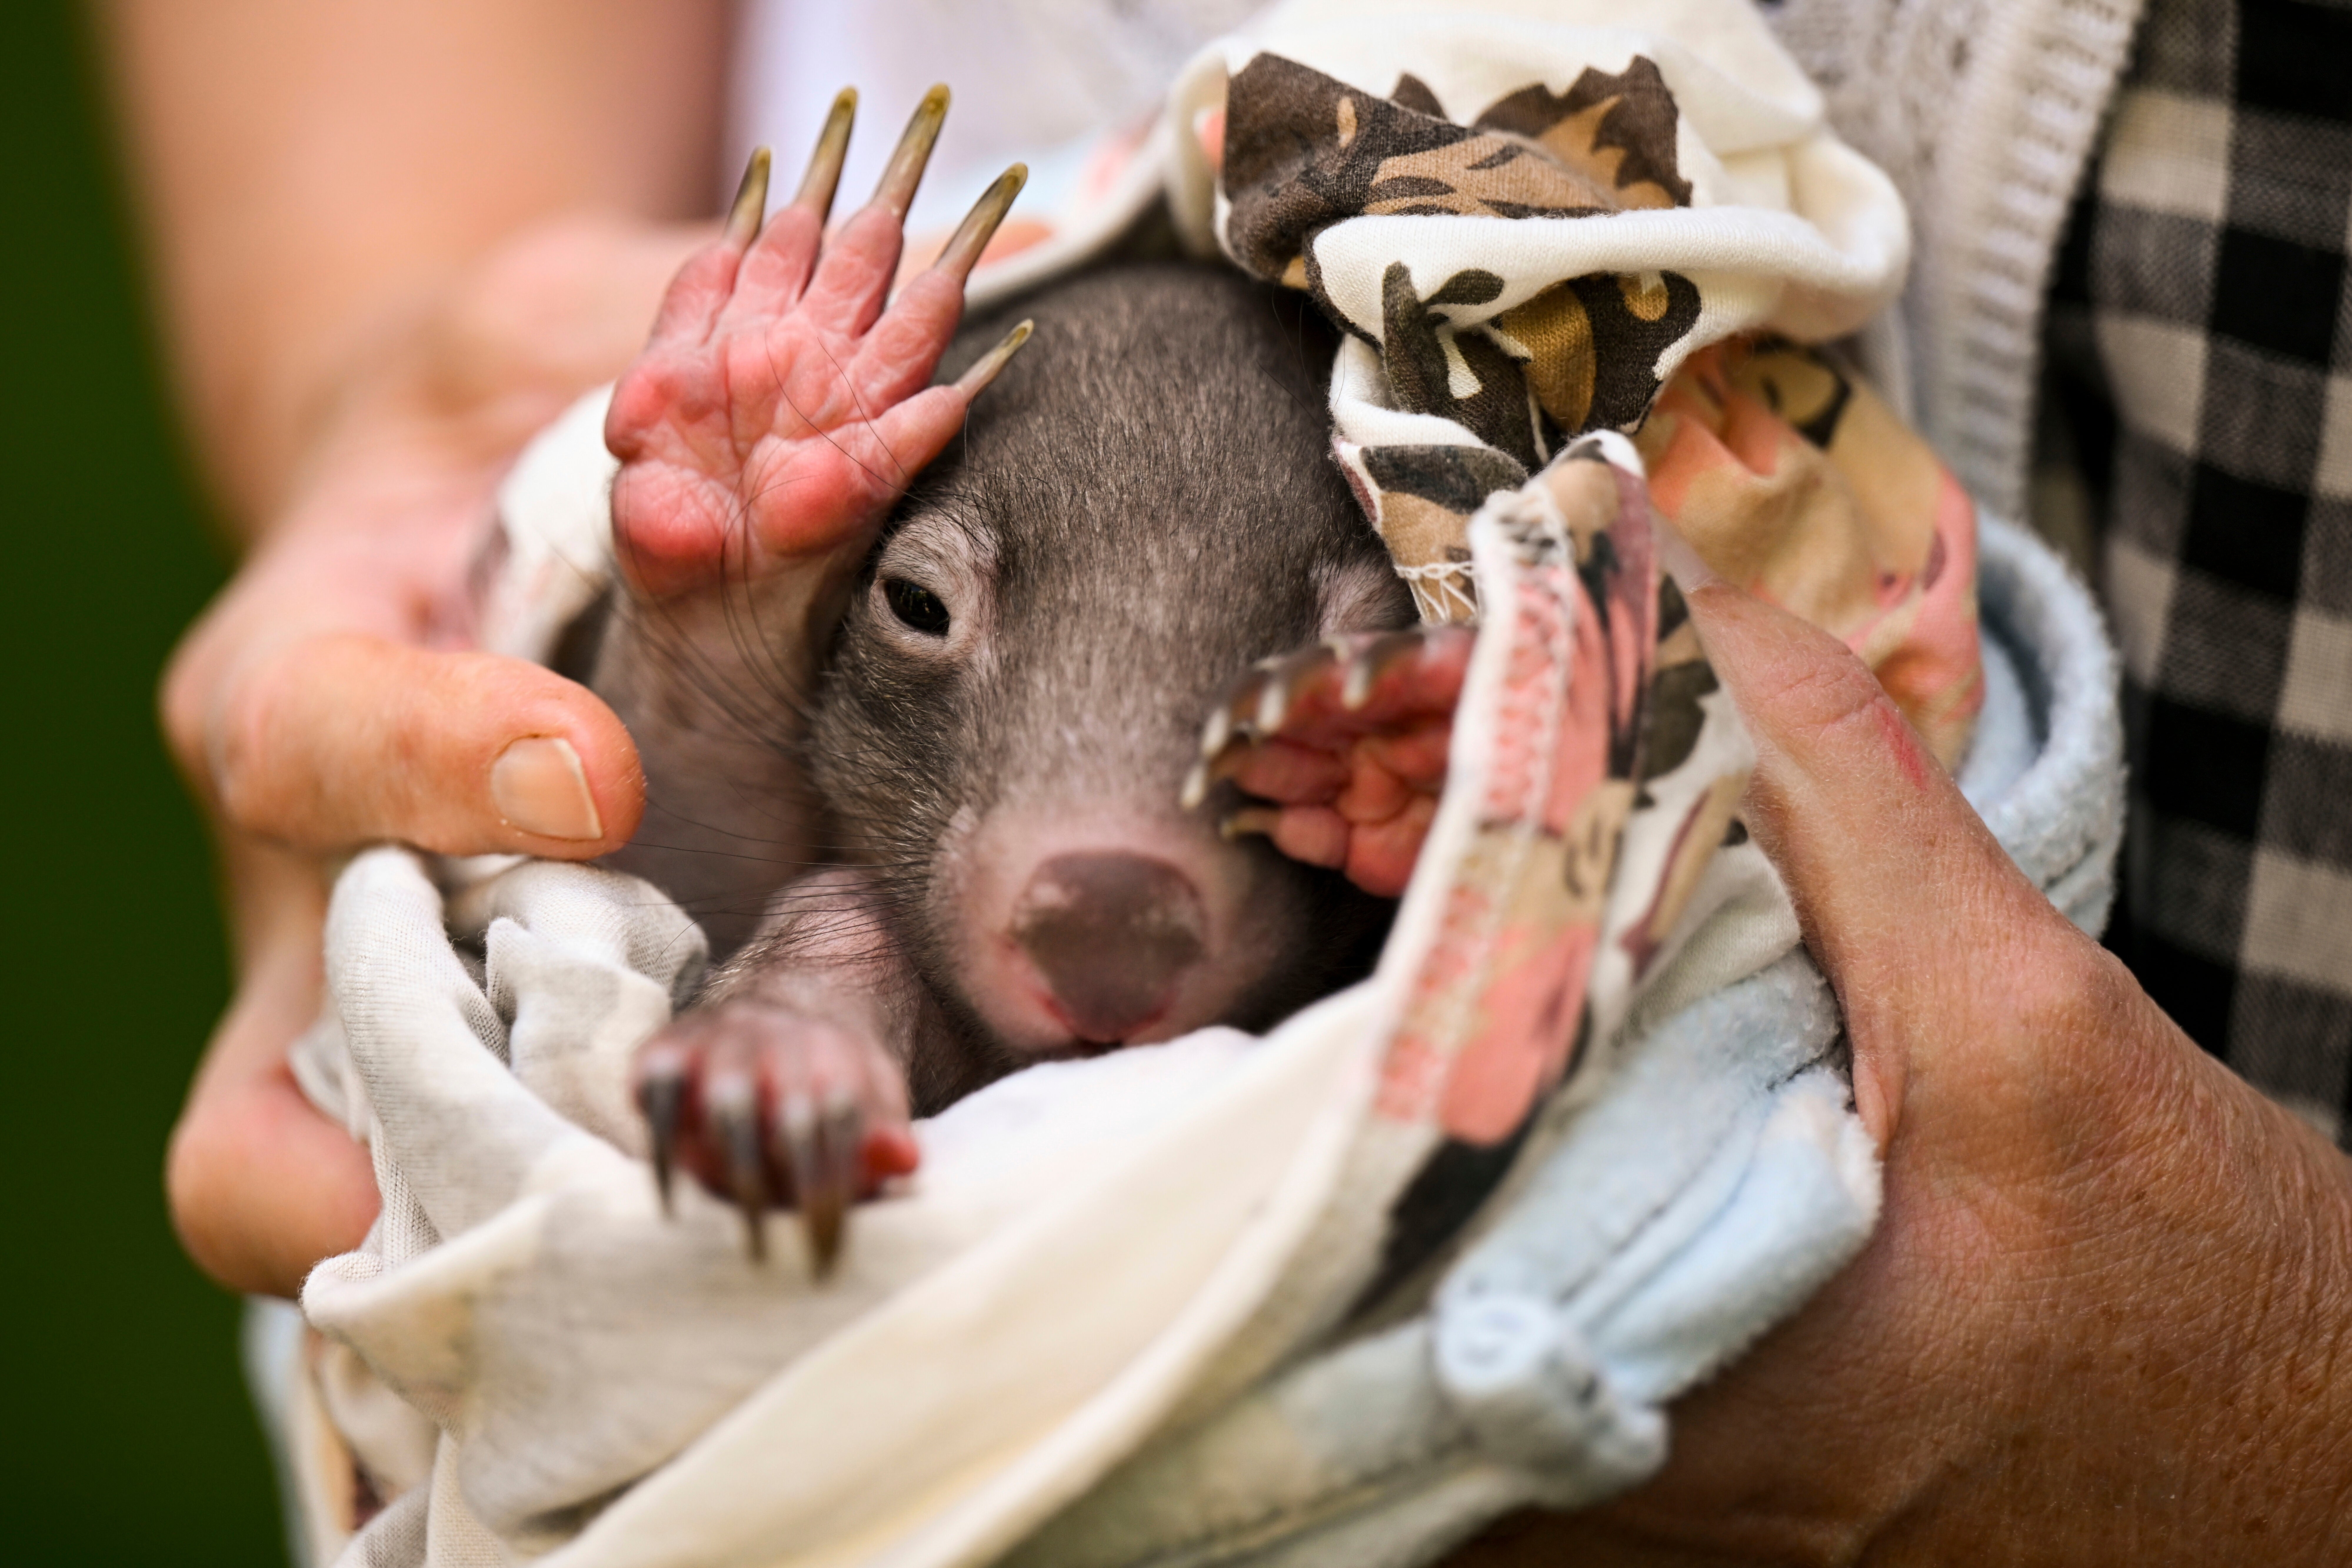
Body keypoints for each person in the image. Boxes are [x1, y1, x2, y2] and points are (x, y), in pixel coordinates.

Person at [108, 1, 2352, 1559]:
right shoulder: (854, 836)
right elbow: (678, 867)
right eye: (913, 614)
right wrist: (396, 352)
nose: (1102, 875)